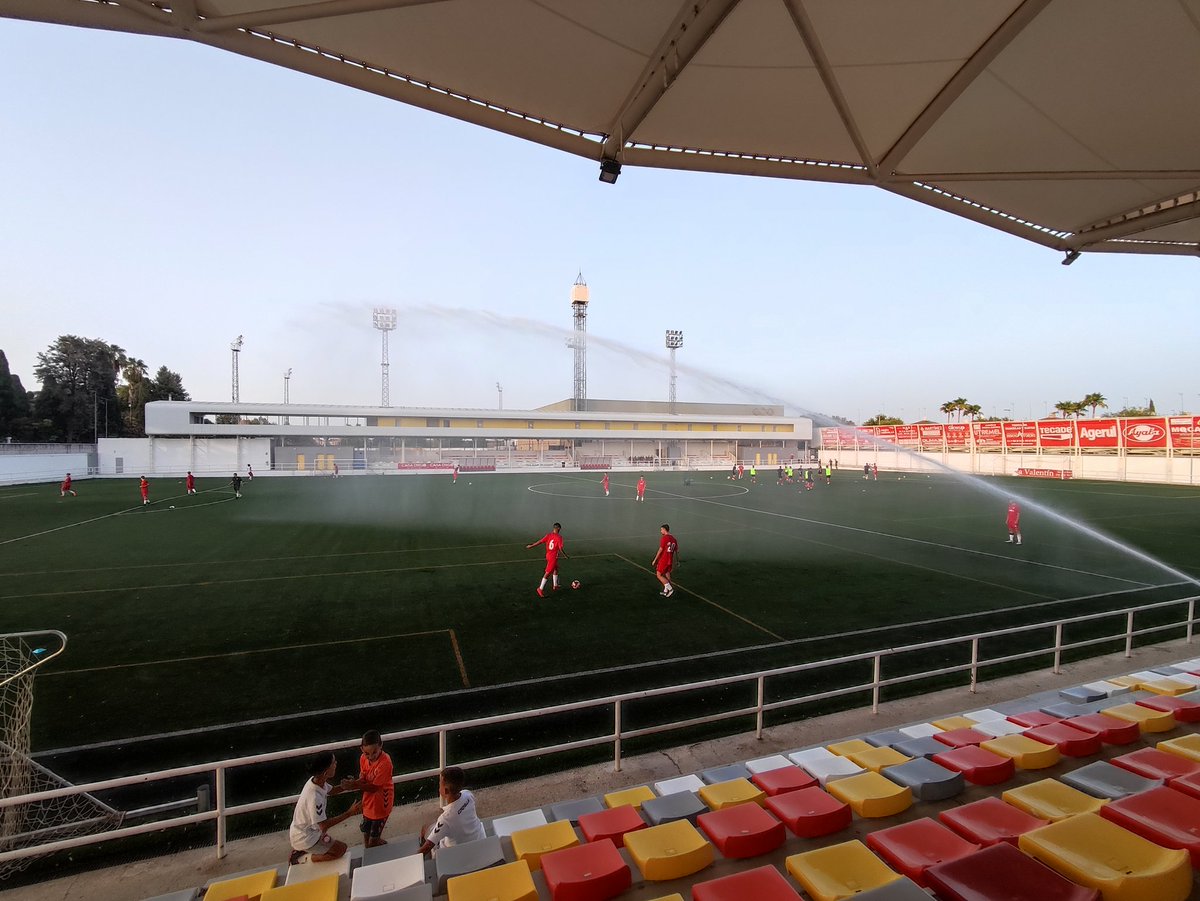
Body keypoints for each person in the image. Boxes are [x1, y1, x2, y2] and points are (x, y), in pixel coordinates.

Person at [288, 751, 361, 865]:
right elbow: (323, 825)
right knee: (340, 850)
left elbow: (331, 791)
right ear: (326, 772)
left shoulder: (316, 781)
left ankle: (302, 850)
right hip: (306, 838)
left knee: (336, 846)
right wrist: (349, 813)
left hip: (304, 831)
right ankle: (303, 859)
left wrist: (345, 787)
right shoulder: (314, 797)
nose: (336, 763)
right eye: (333, 762)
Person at [339, 730, 393, 849]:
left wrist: (354, 785)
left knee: (373, 840)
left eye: (374, 752)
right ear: (362, 750)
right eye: (367, 754)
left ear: (381, 746)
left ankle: (376, 843)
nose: (371, 757)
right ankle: (374, 844)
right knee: (366, 833)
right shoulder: (363, 758)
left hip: (381, 804)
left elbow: (374, 787)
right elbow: (363, 777)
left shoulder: (385, 763)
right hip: (368, 802)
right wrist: (354, 782)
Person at [418, 766, 485, 857]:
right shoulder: (468, 795)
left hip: (456, 855)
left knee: (426, 828)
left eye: (440, 784)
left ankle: (430, 860)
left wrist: (412, 860)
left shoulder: (445, 819)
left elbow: (426, 848)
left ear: (445, 790)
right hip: (479, 840)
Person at [526, 522, 568, 597]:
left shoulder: (548, 535)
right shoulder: (559, 537)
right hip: (553, 557)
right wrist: (565, 556)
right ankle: (540, 588)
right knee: (548, 572)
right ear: (558, 528)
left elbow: (540, 541)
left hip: (548, 555)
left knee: (555, 569)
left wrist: (531, 546)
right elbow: (560, 548)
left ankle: (555, 585)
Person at [652, 523, 678, 598]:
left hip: (664, 559)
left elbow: (660, 549)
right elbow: (676, 551)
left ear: (664, 529)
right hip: (670, 560)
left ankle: (670, 589)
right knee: (667, 574)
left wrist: (655, 559)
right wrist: (677, 561)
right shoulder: (674, 539)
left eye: (661, 530)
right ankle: (665, 591)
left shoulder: (664, 538)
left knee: (659, 575)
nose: (661, 531)